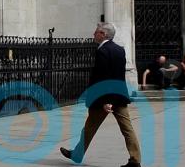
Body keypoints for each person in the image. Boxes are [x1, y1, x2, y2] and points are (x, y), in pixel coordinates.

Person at [59, 21, 141, 167]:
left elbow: (103, 77)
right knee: (127, 129)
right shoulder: (120, 50)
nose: (93, 34)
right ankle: (135, 160)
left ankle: (76, 155)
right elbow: (117, 75)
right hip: (119, 96)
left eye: (96, 31)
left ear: (103, 34)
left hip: (103, 98)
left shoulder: (102, 51)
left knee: (89, 128)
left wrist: (106, 101)